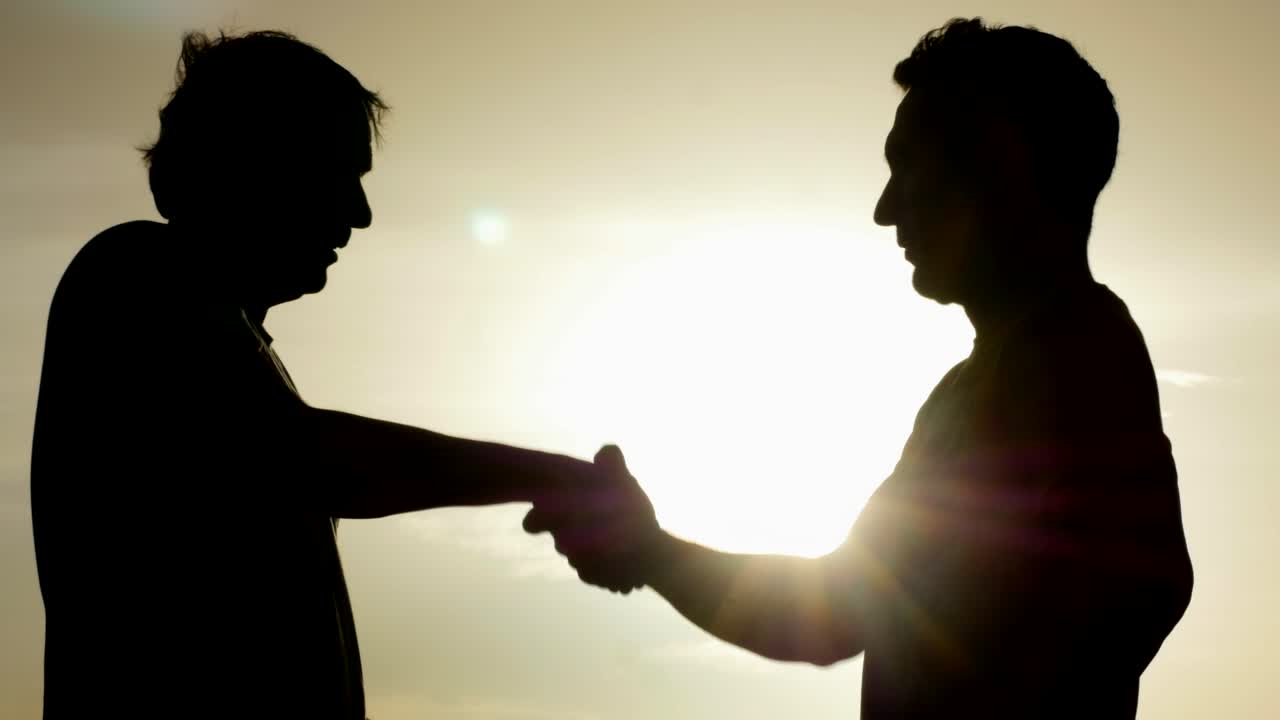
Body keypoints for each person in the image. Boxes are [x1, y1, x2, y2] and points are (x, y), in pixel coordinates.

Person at [529, 18, 1195, 718]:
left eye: (911, 168)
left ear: (1001, 169)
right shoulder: (998, 381)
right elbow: (843, 611)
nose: (885, 210)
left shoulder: (1067, 366)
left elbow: (838, 614)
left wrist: (650, 553)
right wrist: (650, 553)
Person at [30, 30, 621, 720]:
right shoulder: (132, 277)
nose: (360, 214)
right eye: (344, 173)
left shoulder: (222, 341)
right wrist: (560, 480)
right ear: (261, 160)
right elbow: (304, 458)